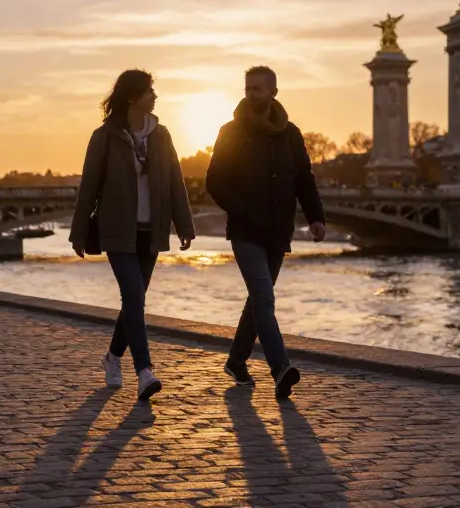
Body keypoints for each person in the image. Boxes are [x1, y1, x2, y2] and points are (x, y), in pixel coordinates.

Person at [69, 69, 195, 402]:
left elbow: (174, 181)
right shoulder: (105, 136)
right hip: (117, 230)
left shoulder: (162, 135)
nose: (155, 96)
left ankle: (112, 358)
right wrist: (79, 232)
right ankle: (144, 372)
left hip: (150, 231)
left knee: (134, 301)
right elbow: (89, 187)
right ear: (131, 97)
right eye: (149, 91)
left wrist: (184, 225)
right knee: (135, 297)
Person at [206, 65, 326, 399]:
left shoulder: (290, 134)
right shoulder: (230, 131)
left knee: (257, 302)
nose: (251, 94)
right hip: (245, 230)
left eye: (257, 88)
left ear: (273, 92)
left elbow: (304, 178)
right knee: (264, 297)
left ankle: (236, 360)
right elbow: (214, 181)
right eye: (247, 88)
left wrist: (316, 217)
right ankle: (280, 369)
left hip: (278, 230)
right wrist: (242, 208)